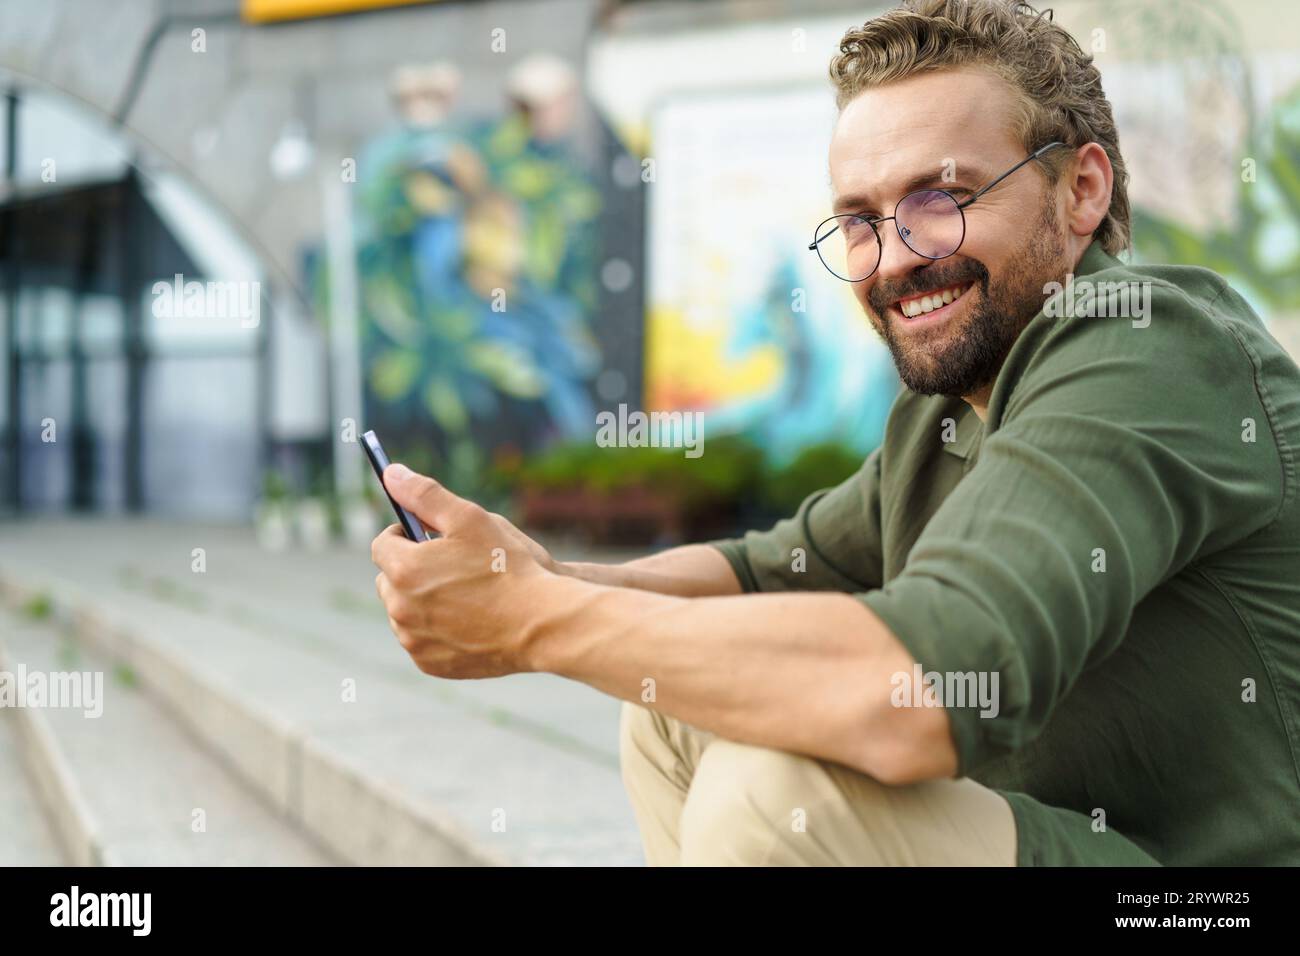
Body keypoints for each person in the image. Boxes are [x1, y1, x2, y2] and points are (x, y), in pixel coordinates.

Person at [370, 0, 1300, 866]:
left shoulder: (1145, 342)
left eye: (943, 199)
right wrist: (523, 576)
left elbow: (930, 681)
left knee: (778, 790)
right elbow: (762, 574)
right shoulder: (944, 415)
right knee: (671, 713)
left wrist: (532, 623)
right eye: (860, 220)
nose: (896, 259)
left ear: (1081, 189)